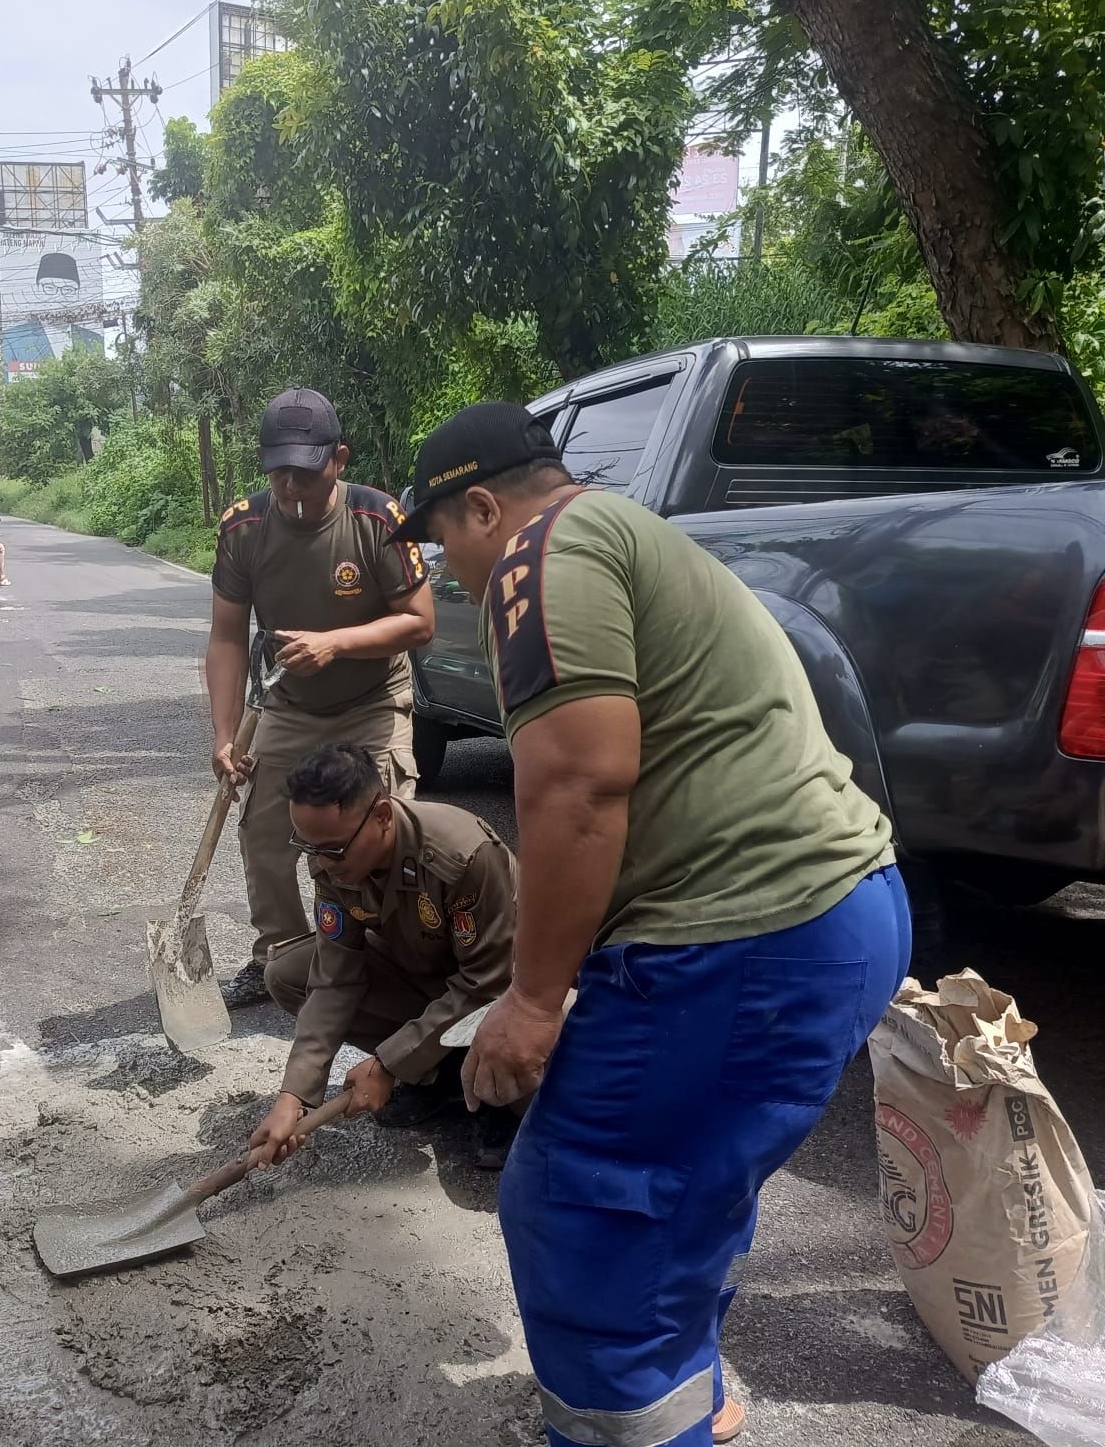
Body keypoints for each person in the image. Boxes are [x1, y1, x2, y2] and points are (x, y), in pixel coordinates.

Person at [389, 402, 910, 1447]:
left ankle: (641, 1417)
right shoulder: (636, 534)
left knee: (581, 1217)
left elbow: (577, 786)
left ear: (483, 507)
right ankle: (688, 1393)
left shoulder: (541, 553)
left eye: (442, 538)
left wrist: (534, 1001)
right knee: (682, 1191)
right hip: (838, 912)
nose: (448, 570)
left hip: (744, 943)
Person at [209, 388, 434, 1009]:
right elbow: (226, 637)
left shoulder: (380, 519)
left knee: (385, 828)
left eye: (305, 472)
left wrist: (336, 644)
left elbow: (419, 622)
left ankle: (390, 954)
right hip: (288, 702)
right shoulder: (243, 527)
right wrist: (224, 736)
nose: (290, 487)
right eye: (278, 472)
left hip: (373, 698)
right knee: (263, 830)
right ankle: (280, 956)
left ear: (339, 458)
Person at [250, 743, 519, 1169]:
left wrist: (389, 1063)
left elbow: (487, 983)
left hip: (503, 995)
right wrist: (294, 1096)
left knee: (531, 1070)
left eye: (332, 849)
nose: (320, 862)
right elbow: (335, 978)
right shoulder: (332, 857)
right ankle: (439, 1075)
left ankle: (493, 1096)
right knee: (288, 974)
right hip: (431, 982)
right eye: (308, 846)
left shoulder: (462, 856)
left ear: (382, 816)